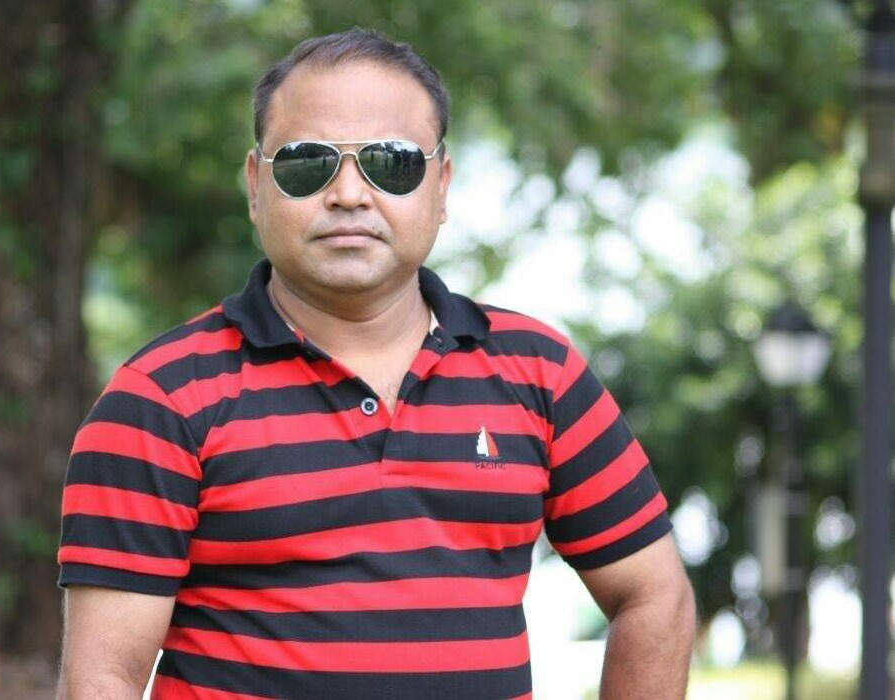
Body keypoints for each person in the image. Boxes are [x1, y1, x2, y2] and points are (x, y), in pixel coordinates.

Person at [55, 27, 696, 700]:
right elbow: (102, 679)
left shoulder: (540, 373)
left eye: (392, 163)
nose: (349, 194)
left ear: (441, 186)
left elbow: (655, 597)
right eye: (307, 163)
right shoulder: (161, 400)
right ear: (255, 185)